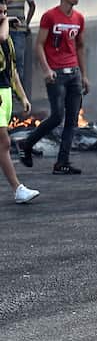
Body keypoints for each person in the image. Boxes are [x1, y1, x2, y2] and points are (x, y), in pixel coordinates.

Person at [18, 0, 89, 174]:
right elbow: (39, 44)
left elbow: (81, 47)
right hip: (56, 74)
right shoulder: (50, 16)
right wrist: (46, 69)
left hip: (73, 73)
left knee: (72, 119)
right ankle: (27, 143)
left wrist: (84, 75)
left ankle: (62, 162)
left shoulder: (79, 18)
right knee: (57, 116)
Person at [0, 14, 37, 202]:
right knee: (3, 143)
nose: (3, 16)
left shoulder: (7, 42)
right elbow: (2, 36)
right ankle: (18, 189)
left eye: (4, 13)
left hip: (4, 92)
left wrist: (22, 97)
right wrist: (6, 21)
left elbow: (12, 71)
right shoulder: (3, 36)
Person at [2, 0, 36, 88]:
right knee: (4, 60)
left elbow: (32, 5)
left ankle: (17, 91)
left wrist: (27, 23)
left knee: (18, 61)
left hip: (19, 31)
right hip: (4, 31)